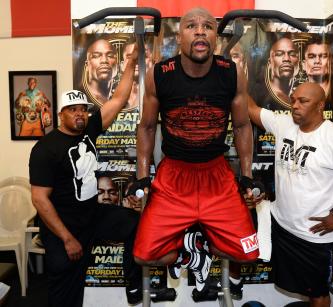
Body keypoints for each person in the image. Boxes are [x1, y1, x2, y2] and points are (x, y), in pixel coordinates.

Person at [131, 7, 261, 300]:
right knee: (144, 255)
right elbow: (148, 127)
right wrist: (142, 177)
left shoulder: (231, 74)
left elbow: (241, 126)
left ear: (215, 37)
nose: (200, 30)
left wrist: (247, 175)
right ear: (180, 37)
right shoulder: (159, 75)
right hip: (174, 175)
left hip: (216, 174)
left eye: (208, 26)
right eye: (191, 26)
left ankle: (197, 240)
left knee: (248, 253)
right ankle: (191, 253)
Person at [29, 45, 143, 307]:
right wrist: (67, 238)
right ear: (61, 114)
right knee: (66, 285)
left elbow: (118, 100)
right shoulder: (46, 149)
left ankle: (134, 286)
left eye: (83, 109)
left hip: (91, 216)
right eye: (73, 109)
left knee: (133, 222)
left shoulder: (89, 130)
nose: (80, 114)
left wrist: (132, 62)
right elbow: (39, 199)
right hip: (63, 228)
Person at [247, 82, 333, 307]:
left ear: (320, 106)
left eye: (303, 101)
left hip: (314, 237)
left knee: (317, 293)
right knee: (300, 286)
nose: (295, 106)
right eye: (293, 100)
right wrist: (237, 75)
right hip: (282, 226)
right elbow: (250, 108)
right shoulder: (284, 123)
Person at [120, 40, 154, 110]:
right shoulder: (110, 95)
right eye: (130, 57)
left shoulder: (161, 94)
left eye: (143, 57)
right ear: (122, 64)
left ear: (152, 62)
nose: (136, 61)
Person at [84, 38, 118, 106]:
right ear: (87, 65)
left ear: (118, 64)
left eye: (110, 56)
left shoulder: (121, 98)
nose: (104, 60)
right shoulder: (84, 100)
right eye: (96, 56)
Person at [267, 36, 299, 106]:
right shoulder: (264, 95)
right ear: (270, 63)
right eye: (279, 54)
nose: (286, 59)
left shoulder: (300, 95)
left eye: (292, 54)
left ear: (298, 63)